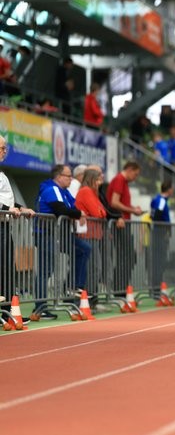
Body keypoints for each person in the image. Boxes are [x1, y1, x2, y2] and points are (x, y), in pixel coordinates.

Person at [34, 164, 91, 317]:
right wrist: (79, 214)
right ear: (59, 176)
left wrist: (79, 212)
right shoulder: (52, 189)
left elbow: (73, 207)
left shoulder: (63, 192)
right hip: (46, 234)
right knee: (45, 271)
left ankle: (73, 287)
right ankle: (40, 307)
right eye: (68, 175)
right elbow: (62, 210)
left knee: (84, 249)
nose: (71, 178)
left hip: (60, 234)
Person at [1, 135, 35, 299]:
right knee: (3, 268)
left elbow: (7, 200)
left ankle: (9, 311)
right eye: (2, 148)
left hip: (5, 226)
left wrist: (22, 208)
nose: (5, 151)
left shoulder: (2, 175)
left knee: (8, 268)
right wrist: (9, 209)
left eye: (5, 148)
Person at [107, 161, 143, 294]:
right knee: (126, 256)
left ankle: (121, 289)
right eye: (135, 174)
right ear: (129, 169)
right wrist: (132, 210)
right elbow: (114, 202)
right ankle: (119, 289)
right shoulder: (119, 180)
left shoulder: (122, 181)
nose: (135, 177)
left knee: (127, 256)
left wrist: (132, 208)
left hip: (123, 222)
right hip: (120, 224)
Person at [75, 168, 107, 295]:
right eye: (98, 180)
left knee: (94, 268)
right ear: (92, 179)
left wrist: (101, 212)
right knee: (93, 268)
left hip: (93, 234)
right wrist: (101, 212)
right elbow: (98, 213)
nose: (100, 183)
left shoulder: (92, 192)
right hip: (88, 235)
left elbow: (103, 212)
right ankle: (89, 299)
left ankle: (91, 298)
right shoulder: (86, 191)